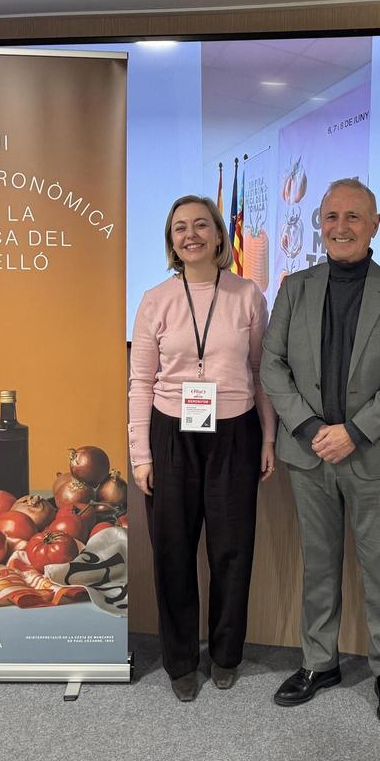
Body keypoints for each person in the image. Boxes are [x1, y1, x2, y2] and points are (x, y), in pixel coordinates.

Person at [261, 178, 380, 729]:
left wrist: (354, 431)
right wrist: (312, 427)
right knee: (318, 563)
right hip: (309, 452)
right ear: (319, 223)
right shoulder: (295, 288)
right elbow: (272, 365)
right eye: (331, 216)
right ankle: (319, 662)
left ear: (374, 224)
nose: (341, 227)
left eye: (353, 216)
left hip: (375, 454)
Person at [128, 195, 276, 702]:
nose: (190, 235)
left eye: (200, 225)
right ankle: (180, 660)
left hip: (235, 433)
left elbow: (260, 372)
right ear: (171, 242)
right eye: (179, 228)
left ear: (218, 235)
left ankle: (226, 655)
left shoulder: (247, 294)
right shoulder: (155, 299)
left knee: (232, 549)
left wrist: (268, 436)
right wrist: (141, 455)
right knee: (173, 549)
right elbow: (140, 381)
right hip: (171, 434)